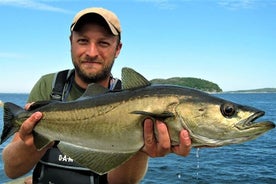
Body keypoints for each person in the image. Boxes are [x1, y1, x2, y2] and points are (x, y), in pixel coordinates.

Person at [2, 7, 191, 184]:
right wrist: (38, 138)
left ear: (118, 49)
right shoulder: (49, 85)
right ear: (71, 43)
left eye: (103, 43)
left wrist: (140, 148)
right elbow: (12, 170)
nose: (92, 53)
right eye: (83, 41)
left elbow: (121, 182)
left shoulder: (132, 96)